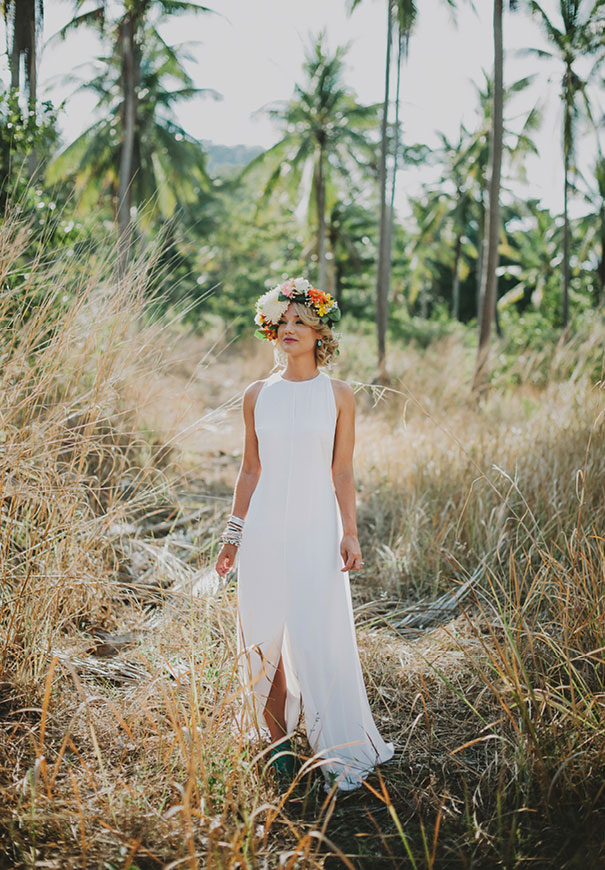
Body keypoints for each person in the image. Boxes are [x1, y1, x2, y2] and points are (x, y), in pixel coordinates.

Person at [215, 276, 394, 792]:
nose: (289, 329)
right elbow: (250, 470)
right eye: (283, 321)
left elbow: (342, 471)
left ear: (320, 333)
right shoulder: (256, 395)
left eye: (301, 322)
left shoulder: (339, 396)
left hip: (318, 529)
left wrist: (351, 532)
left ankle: (335, 745)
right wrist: (234, 535)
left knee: (319, 635)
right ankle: (276, 748)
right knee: (263, 634)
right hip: (265, 531)